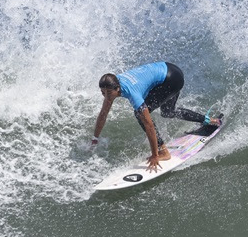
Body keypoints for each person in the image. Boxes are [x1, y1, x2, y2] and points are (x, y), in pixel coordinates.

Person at [92, 61, 221, 172]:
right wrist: (95, 138)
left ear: (117, 88)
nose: (106, 96)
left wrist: (154, 155)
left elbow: (149, 126)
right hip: (169, 69)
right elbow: (103, 114)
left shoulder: (132, 93)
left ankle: (163, 151)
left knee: (139, 114)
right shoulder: (112, 83)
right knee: (168, 112)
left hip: (171, 80)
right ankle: (209, 121)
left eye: (109, 93)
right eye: (102, 92)